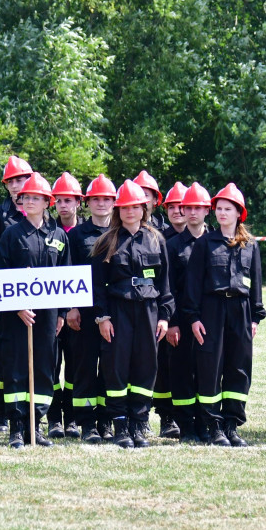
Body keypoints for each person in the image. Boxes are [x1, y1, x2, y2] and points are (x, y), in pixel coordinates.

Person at [91, 180, 174, 448]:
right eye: (124, 207)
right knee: (116, 368)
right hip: (118, 312)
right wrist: (102, 317)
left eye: (135, 207)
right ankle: (120, 426)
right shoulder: (107, 241)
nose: (130, 211)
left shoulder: (156, 239)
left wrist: (164, 316)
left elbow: (165, 284)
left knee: (146, 366)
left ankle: (139, 424)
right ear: (118, 210)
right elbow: (97, 286)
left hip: (149, 312)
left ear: (143, 209)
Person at [185, 183, 265, 447]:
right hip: (211, 311)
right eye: (218, 208)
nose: (221, 213)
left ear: (238, 213)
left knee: (239, 369)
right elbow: (193, 284)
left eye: (227, 209)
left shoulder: (250, 245)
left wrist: (255, 317)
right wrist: (194, 317)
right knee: (210, 369)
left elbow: (256, 283)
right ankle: (213, 426)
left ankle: (232, 425)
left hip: (240, 312)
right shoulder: (205, 243)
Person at [0, 173, 70, 448]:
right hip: (18, 317)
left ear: (47, 202)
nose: (30, 201)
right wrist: (17, 308)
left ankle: (35, 427)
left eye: (37, 197)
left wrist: (62, 313)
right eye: (26, 197)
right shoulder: (11, 235)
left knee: (44, 368)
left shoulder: (59, 236)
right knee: (16, 368)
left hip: (48, 317)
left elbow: (66, 278)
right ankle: (16, 428)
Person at [0, 156, 32, 432]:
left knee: (37, 355)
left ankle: (32, 412)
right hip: (4, 298)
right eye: (11, 181)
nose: (16, 185)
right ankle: (2, 412)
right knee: (4, 355)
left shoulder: (41, 210)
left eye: (21, 179)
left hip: (37, 298)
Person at [67, 175, 117, 443]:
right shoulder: (76, 235)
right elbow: (69, 272)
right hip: (84, 314)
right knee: (84, 368)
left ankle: (106, 421)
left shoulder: (122, 233)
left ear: (114, 202)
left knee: (110, 368)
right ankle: (87, 424)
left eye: (106, 199)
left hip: (114, 312)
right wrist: (71, 308)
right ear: (87, 203)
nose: (101, 203)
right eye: (96, 199)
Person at [166, 182, 211, 443]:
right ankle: (186, 425)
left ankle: (205, 422)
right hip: (181, 320)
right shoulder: (172, 246)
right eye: (188, 208)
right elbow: (168, 286)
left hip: (211, 319)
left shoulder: (217, 241)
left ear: (207, 210)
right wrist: (172, 322)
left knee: (207, 372)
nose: (192, 212)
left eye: (198, 207)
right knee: (182, 372)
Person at [46, 172, 84, 439]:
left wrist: (74, 307)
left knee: (75, 367)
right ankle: (53, 418)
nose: (63, 205)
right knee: (50, 365)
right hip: (50, 313)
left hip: (79, 313)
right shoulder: (47, 231)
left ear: (78, 203)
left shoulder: (85, 233)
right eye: (59, 200)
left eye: (68, 200)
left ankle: (71, 419)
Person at [154, 181, 189, 439]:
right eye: (172, 207)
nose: (177, 211)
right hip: (169, 316)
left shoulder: (205, 236)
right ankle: (167, 418)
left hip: (198, 315)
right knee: (165, 369)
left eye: (181, 206)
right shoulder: (158, 239)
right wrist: (169, 319)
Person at [132, 170, 169, 235]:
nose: (141, 199)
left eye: (145, 195)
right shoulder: (120, 230)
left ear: (155, 200)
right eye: (137, 195)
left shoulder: (165, 231)